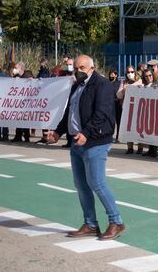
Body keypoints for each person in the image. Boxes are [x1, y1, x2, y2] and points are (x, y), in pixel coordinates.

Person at [47, 54, 125, 240]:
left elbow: (102, 113)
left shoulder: (103, 85)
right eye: (75, 68)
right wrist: (58, 132)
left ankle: (117, 222)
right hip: (77, 141)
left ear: (92, 68)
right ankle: (90, 224)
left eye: (81, 68)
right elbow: (70, 112)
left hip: (95, 141)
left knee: (97, 183)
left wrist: (87, 133)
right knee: (81, 185)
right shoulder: (77, 85)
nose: (78, 71)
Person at [117, 65, 143, 154]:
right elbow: (118, 95)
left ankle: (140, 148)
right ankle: (130, 147)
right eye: (128, 72)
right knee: (128, 128)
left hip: (138, 108)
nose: (130, 74)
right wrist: (124, 89)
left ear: (134, 72)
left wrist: (131, 86)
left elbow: (143, 88)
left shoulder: (139, 81)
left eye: (132, 72)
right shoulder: (123, 82)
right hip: (127, 108)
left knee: (139, 128)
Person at [108, 69, 122, 143]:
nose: (111, 75)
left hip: (117, 104)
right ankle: (109, 135)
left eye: (112, 74)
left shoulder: (119, 83)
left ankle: (118, 136)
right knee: (110, 121)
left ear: (116, 75)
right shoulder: (107, 83)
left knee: (118, 120)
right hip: (109, 104)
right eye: (110, 74)